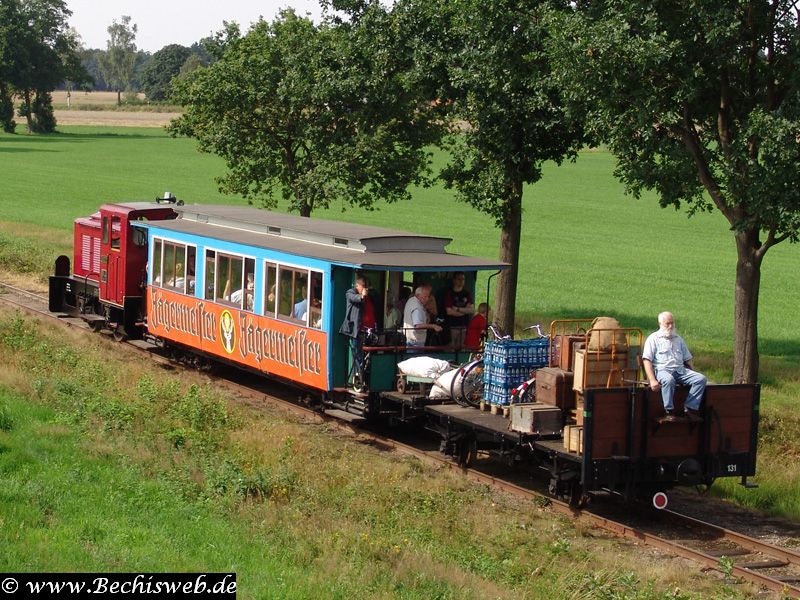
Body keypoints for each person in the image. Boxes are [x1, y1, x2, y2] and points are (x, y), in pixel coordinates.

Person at [642, 311, 707, 423]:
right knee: (668, 380)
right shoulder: (653, 339)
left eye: (672, 323)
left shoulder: (678, 339)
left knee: (701, 379)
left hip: (680, 370)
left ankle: (689, 409)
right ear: (660, 324)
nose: (671, 326)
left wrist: (692, 373)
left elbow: (688, 359)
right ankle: (669, 412)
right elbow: (647, 360)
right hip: (662, 370)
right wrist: (652, 380)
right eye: (668, 323)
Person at [339, 276, 376, 382]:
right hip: (356, 330)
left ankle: (366, 375)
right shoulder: (350, 293)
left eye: (366, 287)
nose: (365, 289)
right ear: (357, 286)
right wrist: (362, 296)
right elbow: (355, 299)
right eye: (363, 286)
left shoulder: (369, 296)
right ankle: (357, 377)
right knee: (357, 354)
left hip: (368, 330)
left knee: (368, 354)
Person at [443, 271, 475, 348]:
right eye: (459, 279)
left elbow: (471, 310)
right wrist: (464, 310)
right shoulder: (449, 293)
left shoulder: (467, 293)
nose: (461, 281)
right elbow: (449, 311)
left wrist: (457, 309)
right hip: (452, 326)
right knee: (452, 348)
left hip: (464, 326)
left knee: (462, 348)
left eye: (463, 279)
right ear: (454, 280)